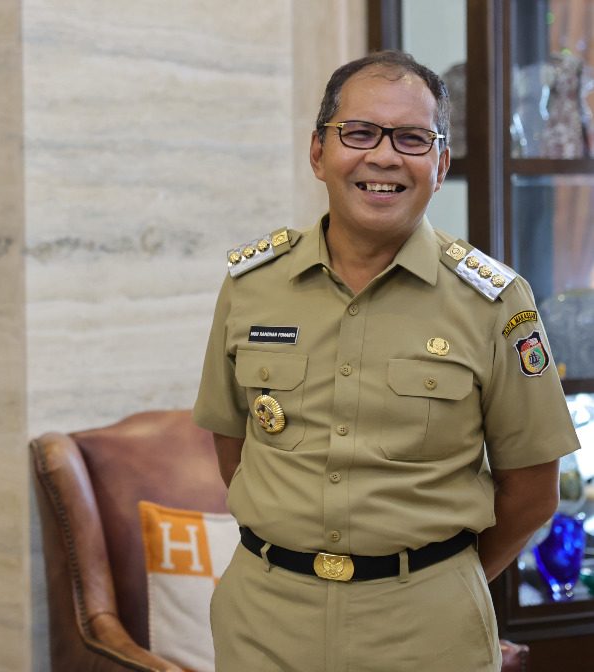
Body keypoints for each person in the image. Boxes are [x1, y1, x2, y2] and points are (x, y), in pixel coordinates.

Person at [193, 50, 580, 672]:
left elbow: (534, 489)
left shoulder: (494, 300)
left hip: (427, 630)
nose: (383, 157)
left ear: (440, 162)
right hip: (263, 620)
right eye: (360, 133)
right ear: (318, 153)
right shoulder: (251, 285)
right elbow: (233, 444)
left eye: (411, 138)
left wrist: (437, 579)